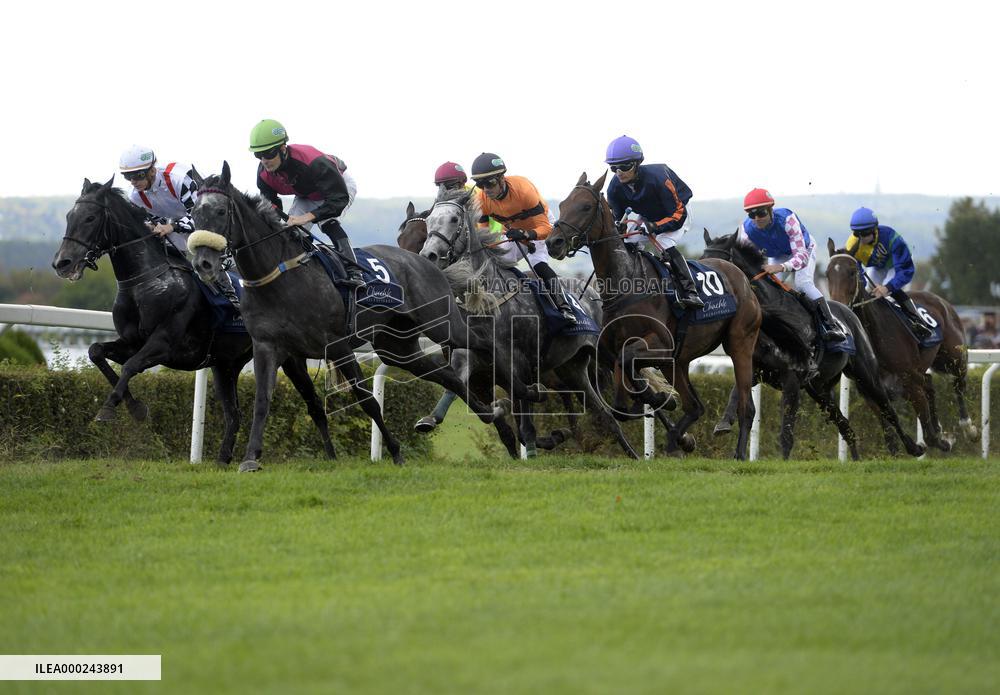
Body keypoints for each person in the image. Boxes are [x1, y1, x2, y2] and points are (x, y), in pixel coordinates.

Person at [118, 144, 239, 307]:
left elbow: (201, 216)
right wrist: (154, 227)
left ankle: (231, 297)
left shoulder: (179, 178)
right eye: (128, 177)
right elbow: (157, 222)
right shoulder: (135, 196)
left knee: (199, 248)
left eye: (138, 175)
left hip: (208, 219)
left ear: (152, 170)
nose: (134, 182)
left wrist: (171, 227)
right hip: (178, 224)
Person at [249, 119, 363, 287]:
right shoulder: (263, 175)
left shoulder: (313, 162)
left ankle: (355, 272)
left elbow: (338, 199)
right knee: (291, 231)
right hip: (307, 193)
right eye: (259, 155)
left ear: (282, 148)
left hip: (339, 188)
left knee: (327, 222)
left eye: (268, 154)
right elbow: (271, 205)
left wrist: (308, 217)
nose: (264, 160)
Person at [469, 152, 576, 323]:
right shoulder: (481, 199)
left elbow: (546, 229)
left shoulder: (524, 190)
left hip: (538, 226)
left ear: (502, 178)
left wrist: (526, 235)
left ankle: (564, 307)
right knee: (495, 263)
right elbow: (485, 233)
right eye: (481, 185)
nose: (486, 190)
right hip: (513, 231)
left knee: (538, 264)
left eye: (490, 183)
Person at [604, 135, 704, 309]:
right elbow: (619, 219)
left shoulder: (659, 177)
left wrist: (654, 227)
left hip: (677, 214)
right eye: (614, 168)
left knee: (664, 242)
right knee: (626, 241)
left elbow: (677, 214)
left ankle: (691, 291)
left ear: (637, 163)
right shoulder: (614, 187)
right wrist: (619, 227)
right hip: (646, 215)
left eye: (624, 166)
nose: (619, 172)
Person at [740, 188, 846, 342]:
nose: (757, 218)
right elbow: (746, 260)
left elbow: (801, 257)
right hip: (778, 255)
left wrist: (781, 267)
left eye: (761, 213)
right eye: (751, 214)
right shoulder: (746, 230)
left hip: (803, 249)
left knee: (803, 283)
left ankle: (831, 325)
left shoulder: (787, 219)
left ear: (770, 210)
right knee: (768, 287)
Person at [845, 207, 933, 340]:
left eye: (865, 233)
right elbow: (858, 272)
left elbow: (905, 271)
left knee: (889, 293)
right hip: (877, 267)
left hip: (897, 266)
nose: (861, 238)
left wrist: (887, 288)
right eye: (857, 234)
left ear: (874, 230)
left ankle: (917, 320)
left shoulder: (893, 239)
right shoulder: (852, 244)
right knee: (869, 292)